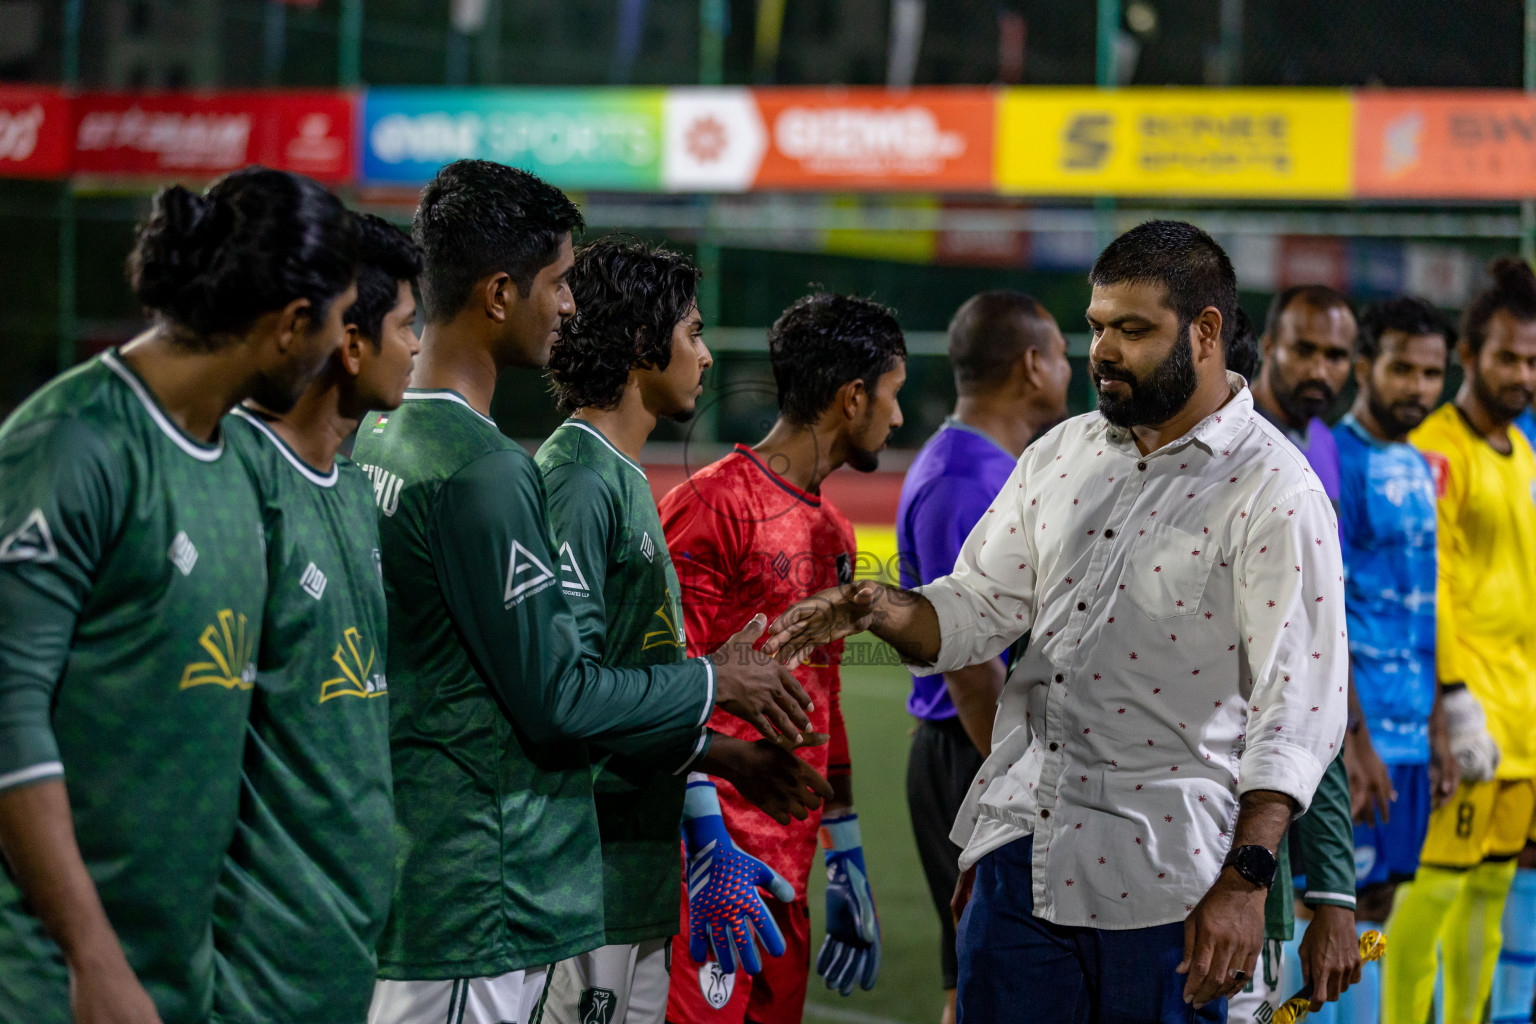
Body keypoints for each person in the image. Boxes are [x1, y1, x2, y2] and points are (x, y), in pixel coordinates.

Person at [765, 220, 1350, 1023]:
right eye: (1098, 327)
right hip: (1026, 856)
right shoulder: (1064, 453)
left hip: (1172, 885)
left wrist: (1245, 887)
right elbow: (975, 605)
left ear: (1206, 333)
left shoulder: (1275, 491)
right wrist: (881, 605)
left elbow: (1301, 709)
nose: (1104, 351)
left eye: (1133, 330)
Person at [354, 161, 814, 1024]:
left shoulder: (384, 444)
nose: (569, 307)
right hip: (477, 889)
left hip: (438, 866)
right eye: (560, 282)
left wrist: (710, 766)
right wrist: (717, 682)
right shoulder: (490, 472)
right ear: (500, 292)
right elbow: (560, 697)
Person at [0, 167, 357, 1024]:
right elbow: (9, 716)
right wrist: (92, 957)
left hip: (179, 982)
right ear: (289, 327)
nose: (345, 350)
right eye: (342, 325)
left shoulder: (237, 459)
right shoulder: (73, 443)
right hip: (53, 982)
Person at [534, 237, 834, 1024]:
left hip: (634, 874)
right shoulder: (577, 481)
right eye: (694, 332)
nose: (705, 356)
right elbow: (562, 696)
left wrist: (718, 752)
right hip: (581, 878)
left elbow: (621, 696)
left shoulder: (623, 477)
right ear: (642, 344)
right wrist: (713, 682)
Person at [660, 292, 907, 1024]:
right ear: (852, 397)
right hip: (707, 876)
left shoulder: (833, 529)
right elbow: (666, 686)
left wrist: (847, 849)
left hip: (787, 884)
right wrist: (706, 836)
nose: (897, 418)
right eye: (891, 397)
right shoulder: (711, 505)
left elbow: (823, 696)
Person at [210, 213, 422, 1024]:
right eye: (407, 326)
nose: (417, 347)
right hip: (250, 962)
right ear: (350, 342)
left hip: (342, 948)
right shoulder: (237, 480)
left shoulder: (358, 489)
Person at [895, 290, 1071, 1024]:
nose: (1072, 369)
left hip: (986, 755)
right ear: (1032, 366)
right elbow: (972, 671)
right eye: (1063, 354)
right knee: (992, 984)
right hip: (977, 759)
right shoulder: (965, 481)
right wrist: (1028, 792)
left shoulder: (994, 468)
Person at [1386, 257, 1536, 1024]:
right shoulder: (1436, 452)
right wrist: (1451, 701)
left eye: (1534, 360)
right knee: (1433, 893)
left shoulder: (1524, 453)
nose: (1522, 373)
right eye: (1507, 356)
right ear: (1469, 357)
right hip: (1465, 716)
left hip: (1521, 720)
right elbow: (1426, 589)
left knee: (1492, 890)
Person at [1310, 296, 1457, 1024]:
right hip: (1353, 736)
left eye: (1432, 373)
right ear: (1364, 367)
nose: (1418, 388)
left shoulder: (1420, 464)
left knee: (1380, 906)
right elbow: (1325, 615)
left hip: (1408, 731)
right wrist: (1353, 739)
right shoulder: (1332, 458)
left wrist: (1435, 730)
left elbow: (1422, 604)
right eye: (1401, 368)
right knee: (1329, 906)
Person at [1236, 288, 1363, 1023]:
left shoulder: (1317, 453)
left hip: (1274, 802)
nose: (1320, 368)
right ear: (1270, 349)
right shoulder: (1243, 455)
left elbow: (1315, 661)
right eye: (1304, 349)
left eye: (1336, 353)